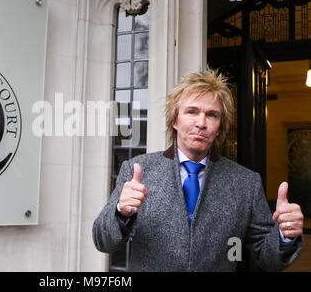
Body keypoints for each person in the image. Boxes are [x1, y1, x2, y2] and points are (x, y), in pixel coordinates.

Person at [92, 69, 304, 271]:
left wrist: (285, 235)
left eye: (212, 115)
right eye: (192, 111)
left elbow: (268, 257)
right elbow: (103, 241)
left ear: (220, 126)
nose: (201, 123)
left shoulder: (246, 183)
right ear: (175, 119)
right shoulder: (138, 170)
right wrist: (121, 213)